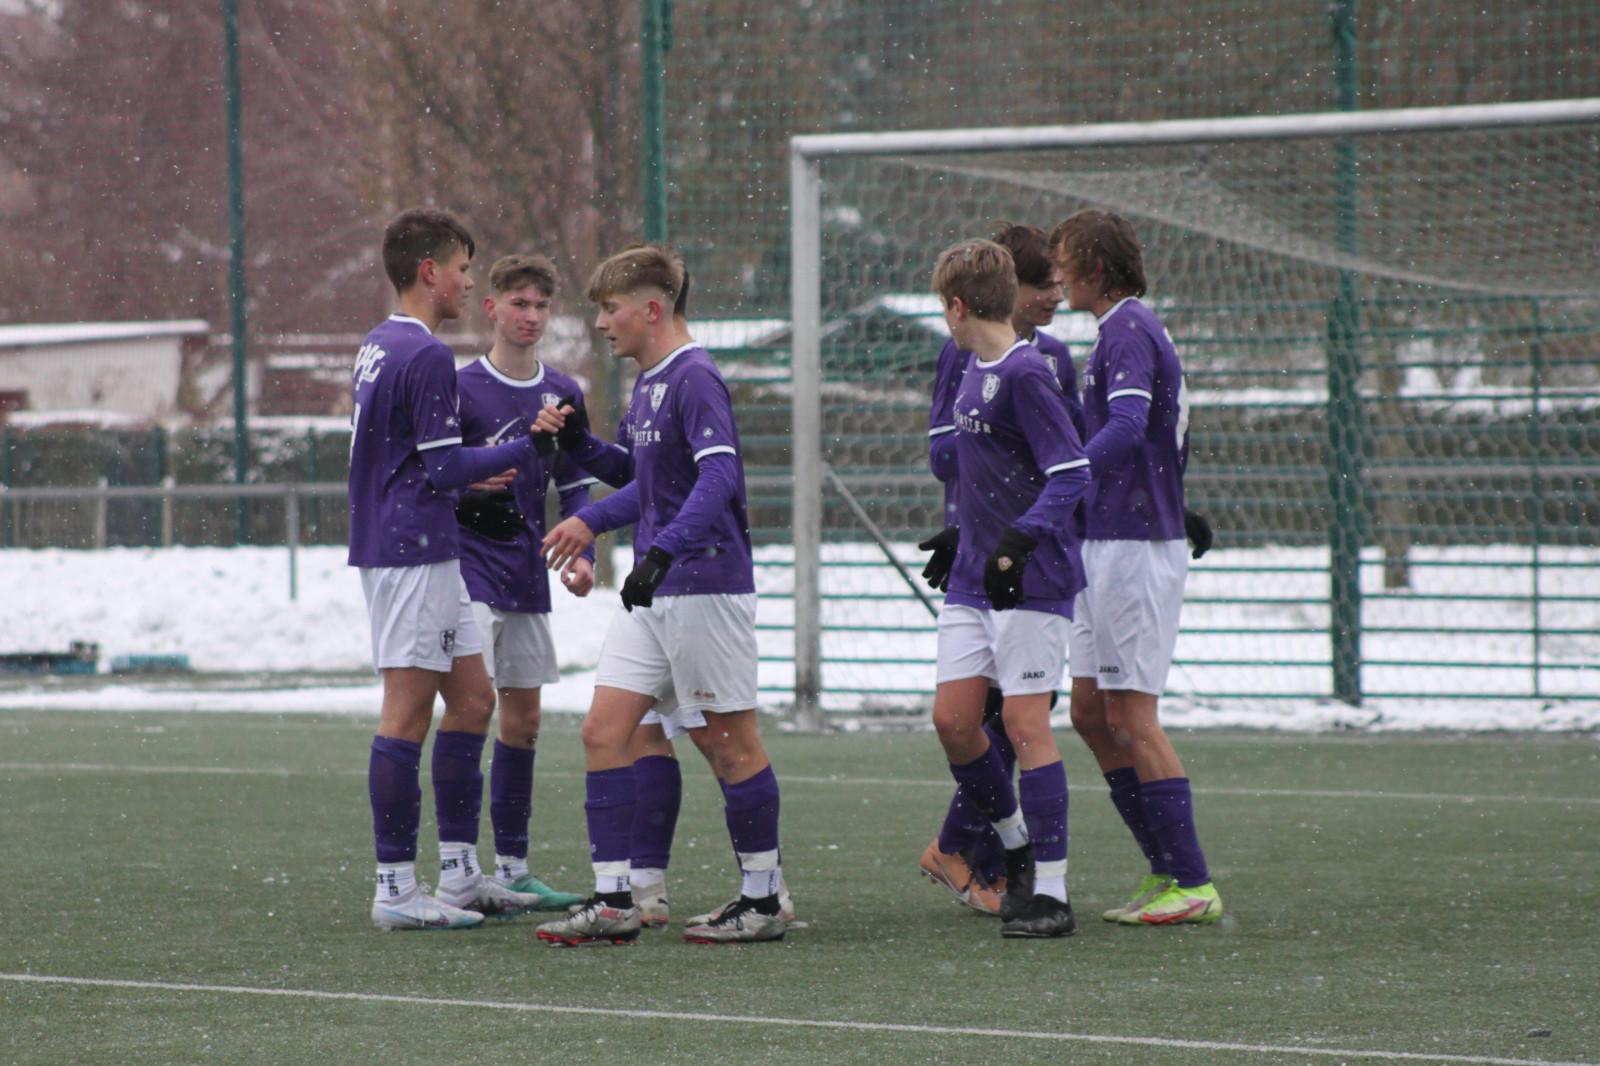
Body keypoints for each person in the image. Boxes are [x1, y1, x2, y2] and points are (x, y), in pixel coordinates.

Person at [532, 244, 786, 946]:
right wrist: (581, 447)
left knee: (729, 744)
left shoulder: (695, 376)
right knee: (603, 730)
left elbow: (717, 481)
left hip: (703, 585)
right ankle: (616, 900)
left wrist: (665, 550)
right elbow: (649, 481)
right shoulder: (647, 382)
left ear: (652, 309)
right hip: (657, 589)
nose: (604, 324)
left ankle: (763, 901)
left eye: (611, 310)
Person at [352, 208, 556, 930]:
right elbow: (440, 467)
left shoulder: (379, 343)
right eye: (464, 268)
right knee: (406, 714)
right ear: (430, 271)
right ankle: (394, 888)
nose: (471, 281)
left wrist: (465, 478)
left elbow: (407, 461)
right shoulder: (428, 355)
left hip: (420, 547)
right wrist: (522, 447)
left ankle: (462, 876)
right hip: (410, 553)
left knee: (474, 701)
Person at [1050, 208, 1223, 925]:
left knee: (1133, 715)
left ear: (1093, 266)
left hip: (1133, 546)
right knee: (1091, 712)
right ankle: (1164, 870)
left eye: (1063, 262)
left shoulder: (1126, 328)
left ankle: (1192, 882)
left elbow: (1126, 426)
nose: (1056, 277)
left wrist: (1061, 474)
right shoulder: (1119, 328)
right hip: (1108, 540)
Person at [919, 238, 1092, 939]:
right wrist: (969, 534)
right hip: (972, 578)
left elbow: (1072, 472)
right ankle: (1016, 847)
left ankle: (1050, 891)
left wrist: (1020, 540)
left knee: (1023, 726)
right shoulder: (971, 367)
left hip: (1032, 577)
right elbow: (982, 469)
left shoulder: (1026, 373)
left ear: (958, 307)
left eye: (943, 309)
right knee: (954, 722)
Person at [452, 252, 599, 913]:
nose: (531, 316)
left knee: (526, 720)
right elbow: (435, 469)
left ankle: (512, 869)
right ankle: (459, 868)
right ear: (492, 308)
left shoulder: (564, 391)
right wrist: (464, 482)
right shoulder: (461, 387)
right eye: (520, 303)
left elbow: (573, 480)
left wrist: (581, 545)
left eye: (542, 305)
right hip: (467, 565)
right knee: (471, 706)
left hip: (524, 566)